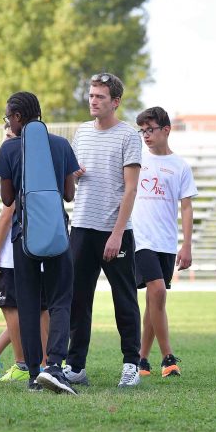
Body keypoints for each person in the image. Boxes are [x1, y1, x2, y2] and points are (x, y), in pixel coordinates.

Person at [0, 91, 80, 394]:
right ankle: (55, 365)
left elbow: (7, 199)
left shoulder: (9, 148)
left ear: (18, 117)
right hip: (57, 233)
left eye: (8, 117)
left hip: (24, 236)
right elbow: (69, 194)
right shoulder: (61, 145)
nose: (8, 122)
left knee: (29, 304)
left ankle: (34, 373)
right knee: (60, 301)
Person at [64, 72, 143, 388]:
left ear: (115, 102)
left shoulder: (128, 136)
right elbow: (72, 181)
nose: (93, 101)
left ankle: (131, 364)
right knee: (78, 299)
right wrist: (74, 174)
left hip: (114, 231)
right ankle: (76, 366)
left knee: (124, 299)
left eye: (100, 96)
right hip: (82, 227)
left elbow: (131, 188)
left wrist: (117, 233)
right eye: (91, 95)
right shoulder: (81, 132)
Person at [0, 123, 50, 382]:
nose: (6, 141)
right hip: (37, 249)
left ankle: (21, 363)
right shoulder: (39, 163)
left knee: (15, 309)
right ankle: (37, 362)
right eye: (5, 136)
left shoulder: (16, 167)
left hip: (14, 253)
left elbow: (7, 215)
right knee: (38, 310)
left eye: (10, 136)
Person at [133, 107, 197, 377]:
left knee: (154, 300)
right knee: (158, 292)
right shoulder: (137, 161)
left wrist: (186, 245)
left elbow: (186, 207)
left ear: (166, 130)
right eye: (142, 131)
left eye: (150, 129)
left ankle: (141, 359)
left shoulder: (180, 166)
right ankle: (168, 357)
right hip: (140, 239)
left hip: (166, 242)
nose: (146, 135)